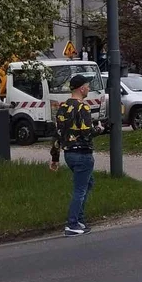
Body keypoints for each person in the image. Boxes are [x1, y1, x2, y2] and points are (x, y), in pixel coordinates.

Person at [50, 74, 103, 237]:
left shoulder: (63, 107)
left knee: (88, 183)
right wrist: (100, 129)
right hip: (82, 153)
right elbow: (87, 133)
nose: (88, 88)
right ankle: (72, 224)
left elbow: (58, 134)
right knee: (80, 189)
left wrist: (55, 158)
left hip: (69, 154)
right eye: (87, 86)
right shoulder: (83, 107)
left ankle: (79, 220)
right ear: (81, 88)